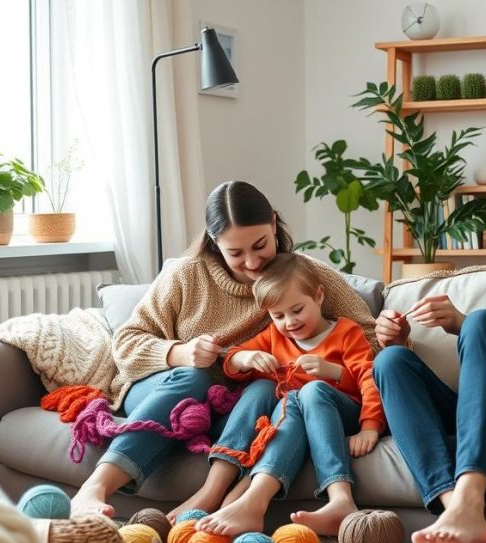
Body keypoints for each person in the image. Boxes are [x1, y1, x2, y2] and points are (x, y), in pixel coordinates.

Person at [70, 180, 377, 521]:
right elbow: (125, 344)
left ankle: (224, 497)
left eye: (260, 245)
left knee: (270, 392)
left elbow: (370, 340)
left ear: (274, 224)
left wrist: (351, 358)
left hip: (242, 410)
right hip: (168, 392)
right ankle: (95, 487)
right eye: (236, 253)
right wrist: (181, 353)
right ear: (215, 242)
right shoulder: (186, 276)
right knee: (195, 378)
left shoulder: (301, 275)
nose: (252, 261)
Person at [195, 254, 383, 537]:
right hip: (295, 417)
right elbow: (231, 361)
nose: (289, 322)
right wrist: (247, 358)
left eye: (297, 310)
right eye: (278, 315)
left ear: (318, 297)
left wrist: (338, 378)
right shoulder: (274, 336)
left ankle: (341, 498)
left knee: (312, 389)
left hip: (341, 414)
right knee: (287, 398)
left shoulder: (346, 332)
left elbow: (369, 379)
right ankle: (247, 499)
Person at [372, 297, 486, 543]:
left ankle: (469, 501)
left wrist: (459, 321)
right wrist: (396, 341)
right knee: (389, 361)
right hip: (460, 413)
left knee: (481, 320)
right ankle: (456, 509)